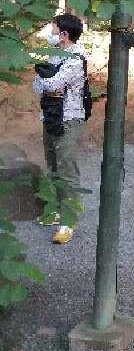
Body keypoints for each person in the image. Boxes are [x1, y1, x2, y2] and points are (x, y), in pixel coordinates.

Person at [33, 13, 87, 244]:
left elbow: (53, 83)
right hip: (50, 117)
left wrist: (48, 84)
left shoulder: (75, 59)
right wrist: (48, 85)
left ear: (64, 34)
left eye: (53, 29)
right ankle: (56, 209)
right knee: (53, 165)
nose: (50, 33)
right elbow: (39, 84)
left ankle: (68, 221)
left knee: (68, 170)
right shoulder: (54, 57)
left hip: (69, 120)